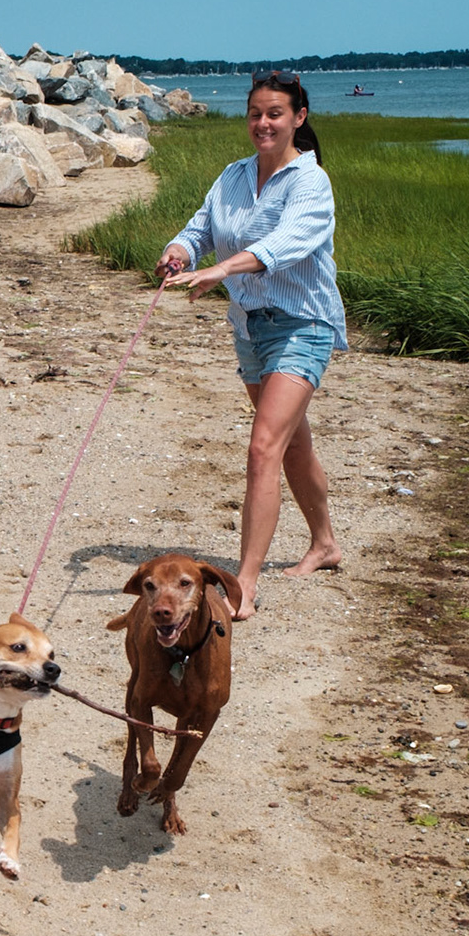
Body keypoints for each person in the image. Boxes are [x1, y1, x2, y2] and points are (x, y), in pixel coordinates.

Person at [158, 70, 345, 619]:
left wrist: (221, 270)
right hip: (249, 327)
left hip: (303, 324)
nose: (263, 123)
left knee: (263, 447)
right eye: (256, 114)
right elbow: (200, 229)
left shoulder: (311, 182)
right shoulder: (234, 176)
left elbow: (283, 245)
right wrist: (180, 252)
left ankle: (245, 580)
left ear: (298, 118)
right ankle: (325, 543)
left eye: (275, 114)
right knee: (291, 444)